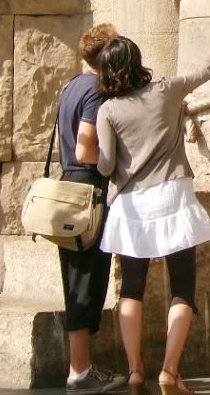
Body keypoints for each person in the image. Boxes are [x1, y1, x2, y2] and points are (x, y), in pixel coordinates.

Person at [96, 29, 210, 395]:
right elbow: (204, 72)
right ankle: (170, 371)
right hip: (173, 196)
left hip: (131, 205)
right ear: (137, 62)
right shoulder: (165, 90)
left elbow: (106, 167)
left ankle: (136, 371)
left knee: (131, 289)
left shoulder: (108, 110)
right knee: (182, 288)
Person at [56, 24, 126, 394]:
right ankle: (80, 372)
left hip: (69, 186)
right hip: (88, 190)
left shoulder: (71, 86)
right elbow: (86, 148)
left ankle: (80, 367)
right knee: (87, 279)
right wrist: (115, 164)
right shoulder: (96, 91)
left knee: (75, 278)